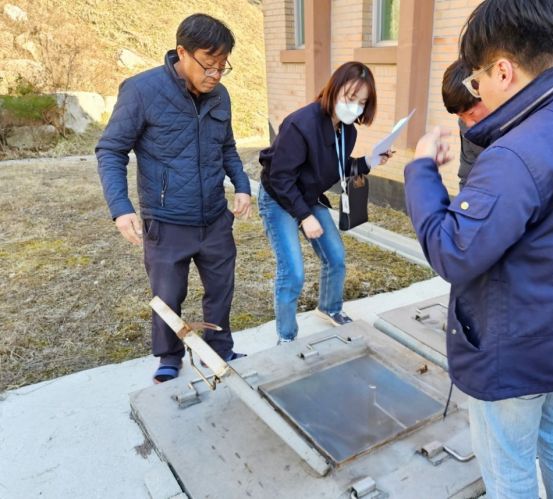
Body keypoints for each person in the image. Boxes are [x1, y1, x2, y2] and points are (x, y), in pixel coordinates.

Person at [403, 1, 553, 497]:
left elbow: (452, 252)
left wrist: (421, 169)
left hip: (519, 346)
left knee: (508, 467)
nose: (479, 92)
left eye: (477, 81)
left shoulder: (515, 151)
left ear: (504, 70)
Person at [96, 14, 252, 384]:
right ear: (182, 52)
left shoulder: (221, 96)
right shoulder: (142, 91)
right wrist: (121, 209)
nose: (215, 74)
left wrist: (242, 185)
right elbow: (111, 150)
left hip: (214, 217)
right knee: (167, 295)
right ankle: (169, 356)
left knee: (220, 289)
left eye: (222, 66)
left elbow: (227, 146)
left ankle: (219, 346)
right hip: (166, 221)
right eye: (208, 64)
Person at [258, 62, 391, 343]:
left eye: (362, 102)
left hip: (306, 196)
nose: (354, 107)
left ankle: (329, 308)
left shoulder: (347, 130)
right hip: (278, 198)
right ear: (334, 88)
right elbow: (281, 178)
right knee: (292, 271)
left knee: (336, 258)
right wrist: (305, 216)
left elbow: (336, 167)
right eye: (350, 97)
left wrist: (369, 161)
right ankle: (286, 337)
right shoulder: (300, 124)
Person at [441, 59, 490, 189]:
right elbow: (467, 171)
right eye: (461, 116)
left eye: (471, 113)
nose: (468, 123)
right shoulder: (465, 124)